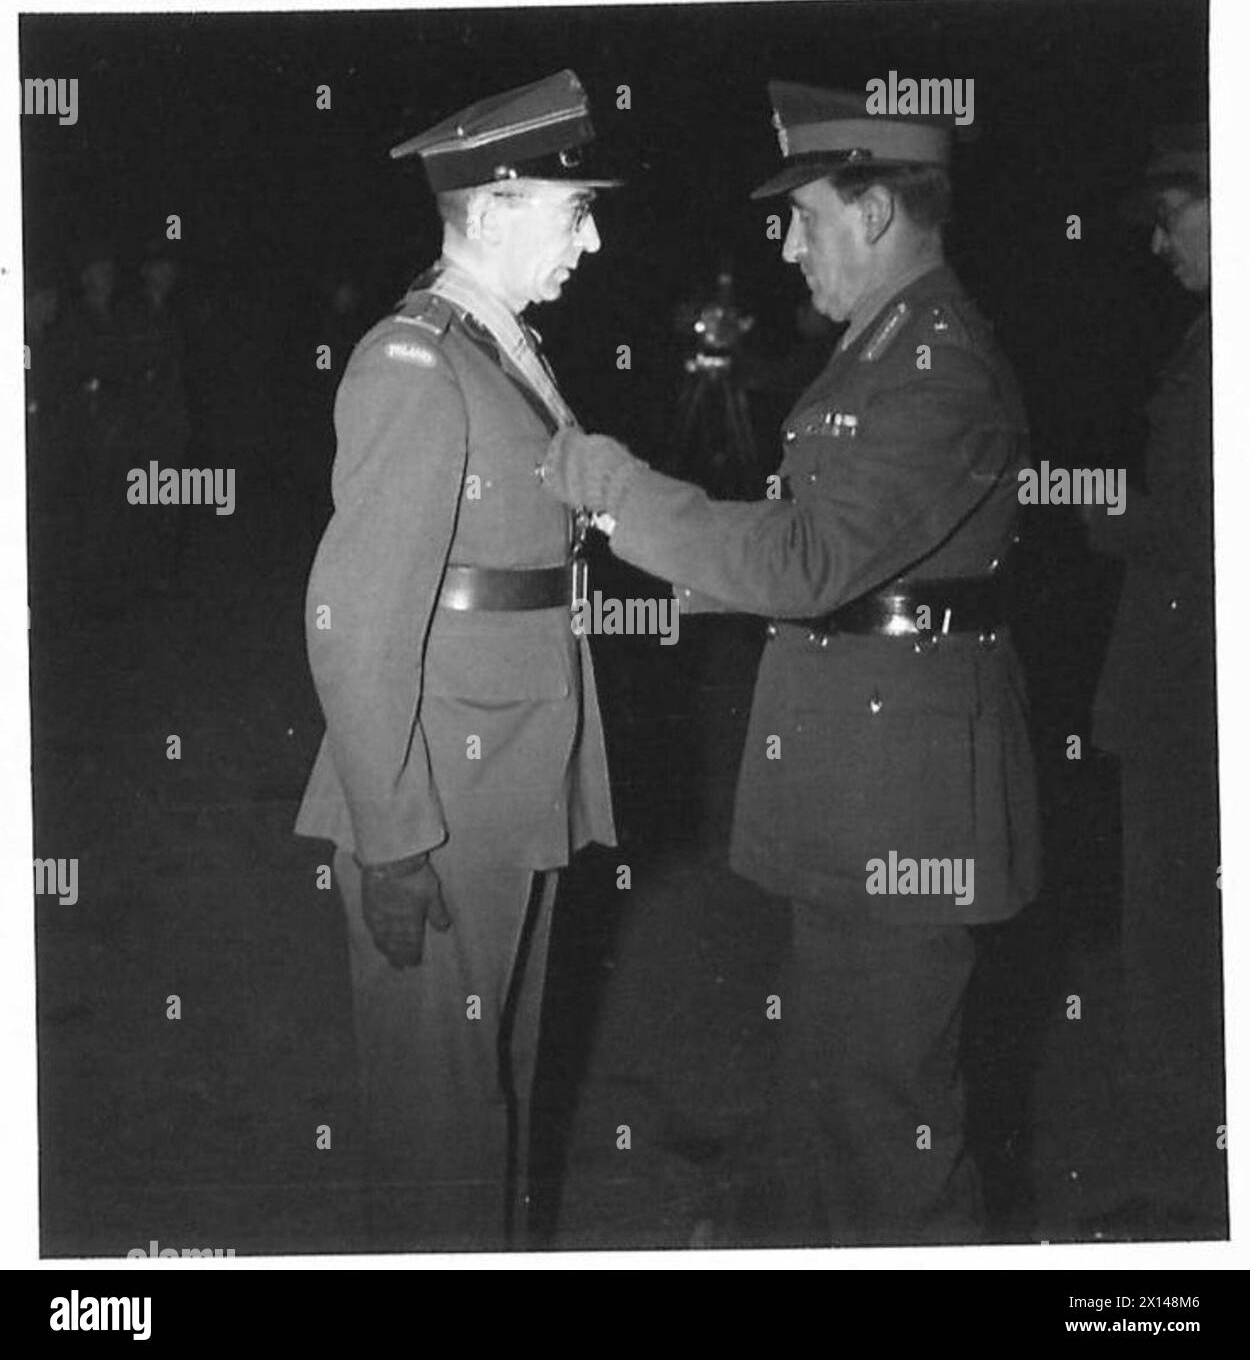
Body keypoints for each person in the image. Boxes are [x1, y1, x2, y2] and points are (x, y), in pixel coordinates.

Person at [541, 81, 1041, 1244]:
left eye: (802, 214)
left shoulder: (935, 365)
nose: (786, 243)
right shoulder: (882, 349)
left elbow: (812, 559)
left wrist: (618, 491)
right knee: (832, 1100)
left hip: (905, 811)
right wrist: (691, 576)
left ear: (871, 215)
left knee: (888, 1122)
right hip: (864, 782)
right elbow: (829, 558)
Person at [294, 69, 617, 1251]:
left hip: (506, 783)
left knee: (496, 1093)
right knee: (439, 1123)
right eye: (572, 207)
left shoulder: (498, 348)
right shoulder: (414, 362)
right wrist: (391, 840)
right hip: (437, 800)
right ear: (491, 207)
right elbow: (354, 619)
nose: (592, 235)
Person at [1083, 125, 1224, 1235]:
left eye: (1172, 219)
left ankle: (1182, 1203)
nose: (1156, 245)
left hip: (1192, 706)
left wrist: (1097, 513)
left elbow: (1191, 525)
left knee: (1176, 951)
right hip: (1191, 695)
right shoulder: (1204, 338)